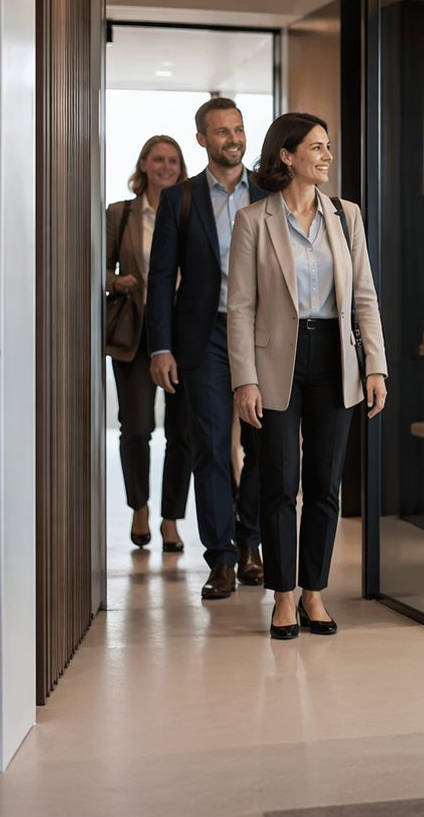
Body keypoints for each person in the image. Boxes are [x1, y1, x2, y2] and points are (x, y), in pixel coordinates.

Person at [227, 112, 387, 639]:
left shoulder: (347, 216)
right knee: (279, 481)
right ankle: (283, 595)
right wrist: (244, 380)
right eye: (316, 147)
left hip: (335, 357)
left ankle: (314, 592)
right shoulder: (254, 220)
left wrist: (375, 367)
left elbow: (364, 294)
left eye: (328, 146)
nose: (327, 156)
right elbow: (242, 307)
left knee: (325, 482)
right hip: (277, 360)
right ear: (287, 156)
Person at [147, 97, 267, 599]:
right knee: (213, 448)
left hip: (262, 334)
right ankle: (220, 558)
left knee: (263, 447)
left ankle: (250, 546)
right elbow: (159, 277)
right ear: (202, 139)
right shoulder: (182, 199)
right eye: (221, 132)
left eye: (238, 129)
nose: (232, 139)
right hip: (205, 337)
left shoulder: (268, 192)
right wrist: (161, 347)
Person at [108, 135, 194, 553]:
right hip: (136, 336)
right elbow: (97, 268)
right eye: (158, 159)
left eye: (173, 160)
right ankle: (139, 506)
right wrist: (116, 281)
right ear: (143, 164)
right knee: (137, 428)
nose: (166, 166)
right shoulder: (120, 214)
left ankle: (171, 519)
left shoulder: (190, 209)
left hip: (186, 335)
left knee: (183, 433)